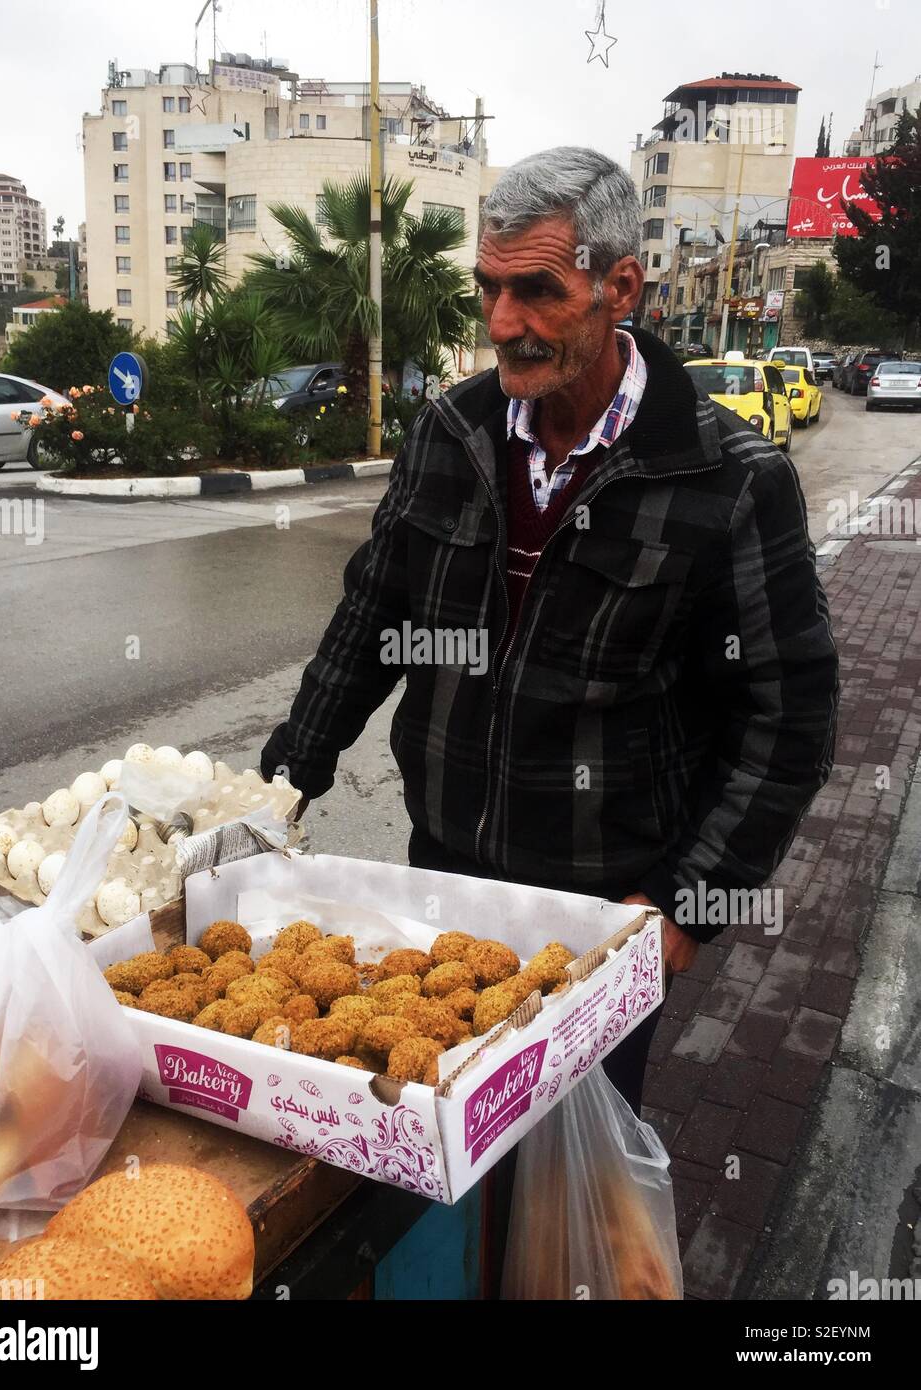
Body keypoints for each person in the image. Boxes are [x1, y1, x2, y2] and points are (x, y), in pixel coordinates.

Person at [262, 145, 839, 1116]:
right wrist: (284, 779)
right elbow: (371, 617)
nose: (500, 323)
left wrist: (687, 902)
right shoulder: (448, 434)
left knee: (571, 1197)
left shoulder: (726, 479)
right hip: (443, 879)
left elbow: (788, 716)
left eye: (533, 290)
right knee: (430, 1158)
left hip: (600, 918)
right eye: (488, 288)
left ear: (618, 285)